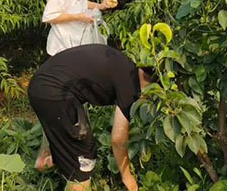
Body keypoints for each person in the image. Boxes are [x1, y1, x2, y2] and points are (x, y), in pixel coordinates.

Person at [27, 44, 156, 191]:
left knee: (70, 142)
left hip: (42, 85)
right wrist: (127, 177)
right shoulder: (131, 87)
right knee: (83, 156)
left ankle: (50, 160)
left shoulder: (126, 65)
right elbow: (118, 139)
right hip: (53, 93)